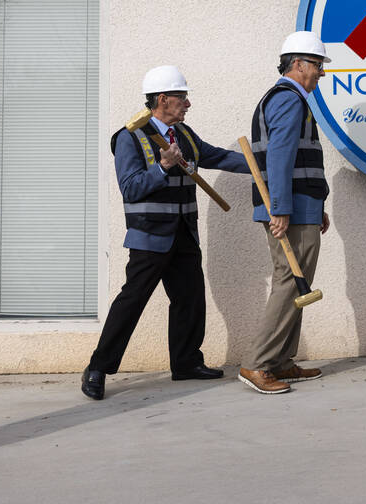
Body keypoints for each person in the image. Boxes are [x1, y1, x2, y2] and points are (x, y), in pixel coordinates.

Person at [81, 66, 249, 400]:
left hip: (184, 233)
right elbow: (130, 188)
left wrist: (264, 163)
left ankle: (186, 363)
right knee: (132, 302)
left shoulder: (184, 135)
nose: (187, 103)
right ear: (163, 99)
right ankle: (98, 368)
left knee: (190, 299)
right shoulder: (129, 137)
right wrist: (163, 166)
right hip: (150, 237)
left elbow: (218, 157)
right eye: (181, 97)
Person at [238, 31, 331, 395]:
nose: (321, 73)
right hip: (289, 210)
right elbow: (280, 157)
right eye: (318, 65)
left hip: (302, 207)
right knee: (290, 282)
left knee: (298, 283)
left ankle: (280, 361)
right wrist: (281, 209)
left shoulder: (290, 99)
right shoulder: (289, 99)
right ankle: (258, 364)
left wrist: (317, 207)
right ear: (298, 64)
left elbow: (299, 159)